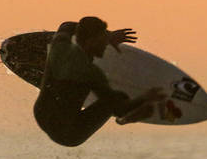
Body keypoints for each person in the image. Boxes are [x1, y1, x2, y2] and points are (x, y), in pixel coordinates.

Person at [33, 16, 164, 146]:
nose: (105, 45)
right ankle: (124, 120)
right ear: (91, 41)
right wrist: (146, 97)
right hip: (68, 134)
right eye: (102, 40)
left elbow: (66, 25)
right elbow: (119, 109)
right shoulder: (90, 73)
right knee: (119, 97)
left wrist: (109, 35)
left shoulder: (60, 46)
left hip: (42, 116)